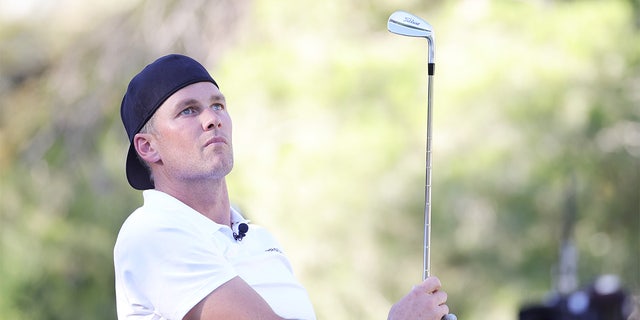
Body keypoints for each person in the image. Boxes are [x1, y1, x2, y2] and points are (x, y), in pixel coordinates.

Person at [113, 54, 450, 320]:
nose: (212, 118)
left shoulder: (260, 240)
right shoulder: (151, 233)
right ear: (147, 147)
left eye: (218, 105)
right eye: (188, 111)